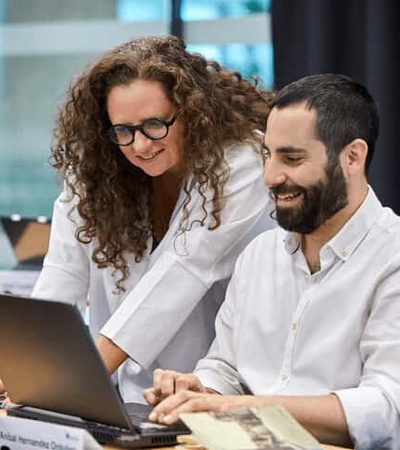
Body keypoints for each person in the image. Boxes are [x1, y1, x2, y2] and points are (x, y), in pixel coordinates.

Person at [144, 74, 400, 449]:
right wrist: (201, 390)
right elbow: (225, 366)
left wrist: (241, 408)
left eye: (291, 158)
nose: (271, 176)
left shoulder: (392, 257)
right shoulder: (259, 255)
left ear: (353, 156)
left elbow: (386, 408)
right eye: (268, 154)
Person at [24, 35, 276, 403]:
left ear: (192, 112)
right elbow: (62, 277)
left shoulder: (242, 164)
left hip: (212, 391)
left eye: (155, 125)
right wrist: (22, 367)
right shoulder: (98, 169)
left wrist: (73, 378)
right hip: (122, 394)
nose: (140, 146)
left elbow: (182, 272)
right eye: (123, 130)